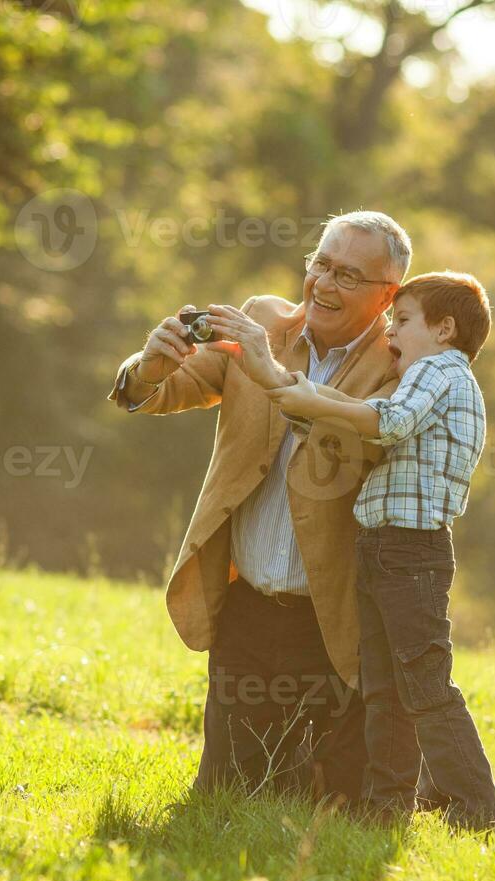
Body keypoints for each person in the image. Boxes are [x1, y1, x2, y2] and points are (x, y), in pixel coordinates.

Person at [107, 211, 412, 804]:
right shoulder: (261, 321)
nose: (324, 284)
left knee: (327, 801)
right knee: (224, 794)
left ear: (388, 295)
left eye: (348, 275)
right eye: (320, 264)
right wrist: (149, 366)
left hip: (331, 622)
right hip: (244, 608)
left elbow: (362, 441)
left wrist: (270, 373)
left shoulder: (401, 364)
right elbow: (163, 390)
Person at [220, 270, 495, 833]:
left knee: (424, 685)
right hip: (383, 551)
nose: (390, 335)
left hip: (410, 554)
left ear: (444, 329)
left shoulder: (438, 370)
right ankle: (386, 805)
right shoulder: (431, 372)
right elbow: (364, 422)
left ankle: (476, 811)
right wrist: (299, 396)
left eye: (402, 322)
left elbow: (389, 424)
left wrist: (304, 396)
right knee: (383, 688)